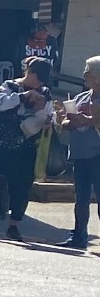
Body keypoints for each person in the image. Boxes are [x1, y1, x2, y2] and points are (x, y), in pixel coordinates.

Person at [0, 56, 55, 241]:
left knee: (22, 187)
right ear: (29, 72)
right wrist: (22, 97)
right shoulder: (10, 86)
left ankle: (14, 226)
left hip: (30, 144)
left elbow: (49, 117)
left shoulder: (45, 92)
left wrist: (44, 113)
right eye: (37, 77)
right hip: (6, 142)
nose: (39, 83)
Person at [56, 55, 100, 249]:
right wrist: (65, 119)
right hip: (80, 154)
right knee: (80, 198)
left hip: (97, 153)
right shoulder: (81, 97)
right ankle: (79, 236)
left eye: (87, 71)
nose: (84, 74)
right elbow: (66, 124)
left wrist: (88, 120)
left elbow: (94, 120)